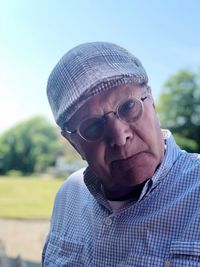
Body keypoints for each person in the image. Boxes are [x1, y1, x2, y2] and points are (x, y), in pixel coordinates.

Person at [42, 42, 200, 267]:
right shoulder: (68, 195)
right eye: (93, 126)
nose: (119, 136)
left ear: (151, 101)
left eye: (128, 107)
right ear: (73, 143)